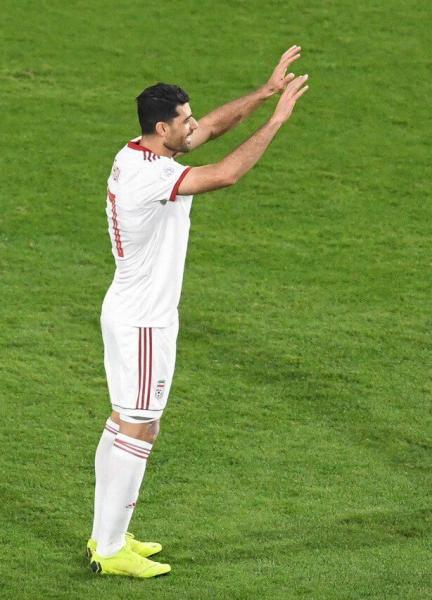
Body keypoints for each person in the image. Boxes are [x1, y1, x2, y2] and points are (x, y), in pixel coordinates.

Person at [88, 45, 310, 578]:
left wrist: (264, 93)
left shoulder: (139, 153)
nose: (194, 125)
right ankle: (111, 548)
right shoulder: (148, 178)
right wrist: (277, 121)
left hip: (135, 311)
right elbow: (226, 173)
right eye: (184, 120)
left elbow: (212, 128)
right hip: (144, 320)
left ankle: (108, 534)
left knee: (126, 422)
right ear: (162, 128)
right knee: (139, 426)